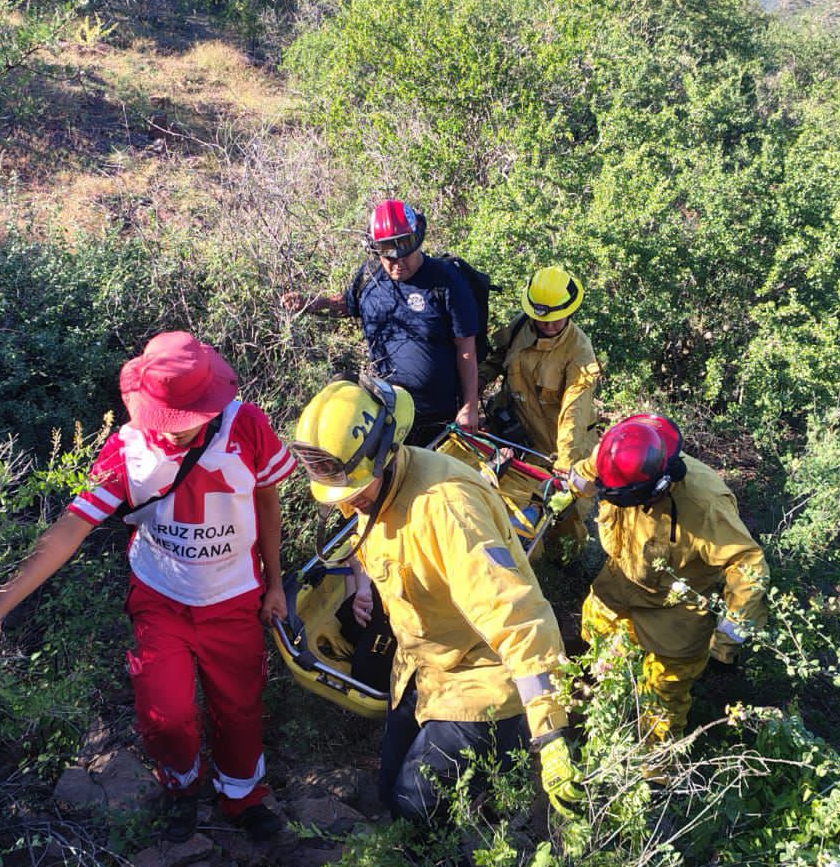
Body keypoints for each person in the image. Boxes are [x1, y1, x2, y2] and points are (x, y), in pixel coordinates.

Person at [0, 332, 294, 843]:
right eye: (167, 419)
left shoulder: (247, 425)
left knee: (239, 705)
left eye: (187, 419)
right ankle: (181, 785)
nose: (175, 432)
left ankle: (243, 798)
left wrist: (276, 583)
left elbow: (267, 503)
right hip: (160, 599)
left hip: (235, 595)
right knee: (166, 713)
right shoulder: (127, 447)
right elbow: (67, 530)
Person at [287, 376, 581, 826]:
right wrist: (359, 581)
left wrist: (551, 730)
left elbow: (516, 614)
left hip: (480, 675)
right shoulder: (363, 484)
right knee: (392, 793)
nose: (350, 501)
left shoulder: (446, 507)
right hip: (419, 670)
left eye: (355, 492)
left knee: (419, 804)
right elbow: (365, 535)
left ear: (384, 452)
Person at [572, 414, 769, 741]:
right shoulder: (616, 453)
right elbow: (585, 474)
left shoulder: (704, 504)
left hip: (675, 607)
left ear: (661, 485)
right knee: (595, 631)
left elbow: (748, 564)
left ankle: (656, 768)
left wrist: (727, 640)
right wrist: (575, 483)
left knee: (664, 695)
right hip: (621, 578)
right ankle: (597, 697)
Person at [281, 199, 481, 444]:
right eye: (389, 257)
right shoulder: (369, 276)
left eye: (405, 255)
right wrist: (312, 303)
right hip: (385, 411)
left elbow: (466, 348)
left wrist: (470, 406)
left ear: (418, 241)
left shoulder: (446, 281)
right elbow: (348, 304)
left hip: (438, 417)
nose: (398, 264)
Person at [481, 264, 602, 549]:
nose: (547, 325)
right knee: (519, 506)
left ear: (569, 312)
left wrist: (565, 465)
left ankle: (567, 561)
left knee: (565, 512)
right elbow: (496, 360)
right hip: (523, 435)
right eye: (541, 318)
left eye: (555, 319)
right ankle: (522, 559)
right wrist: (472, 392)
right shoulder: (521, 327)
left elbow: (573, 412)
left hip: (565, 446)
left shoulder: (579, 353)